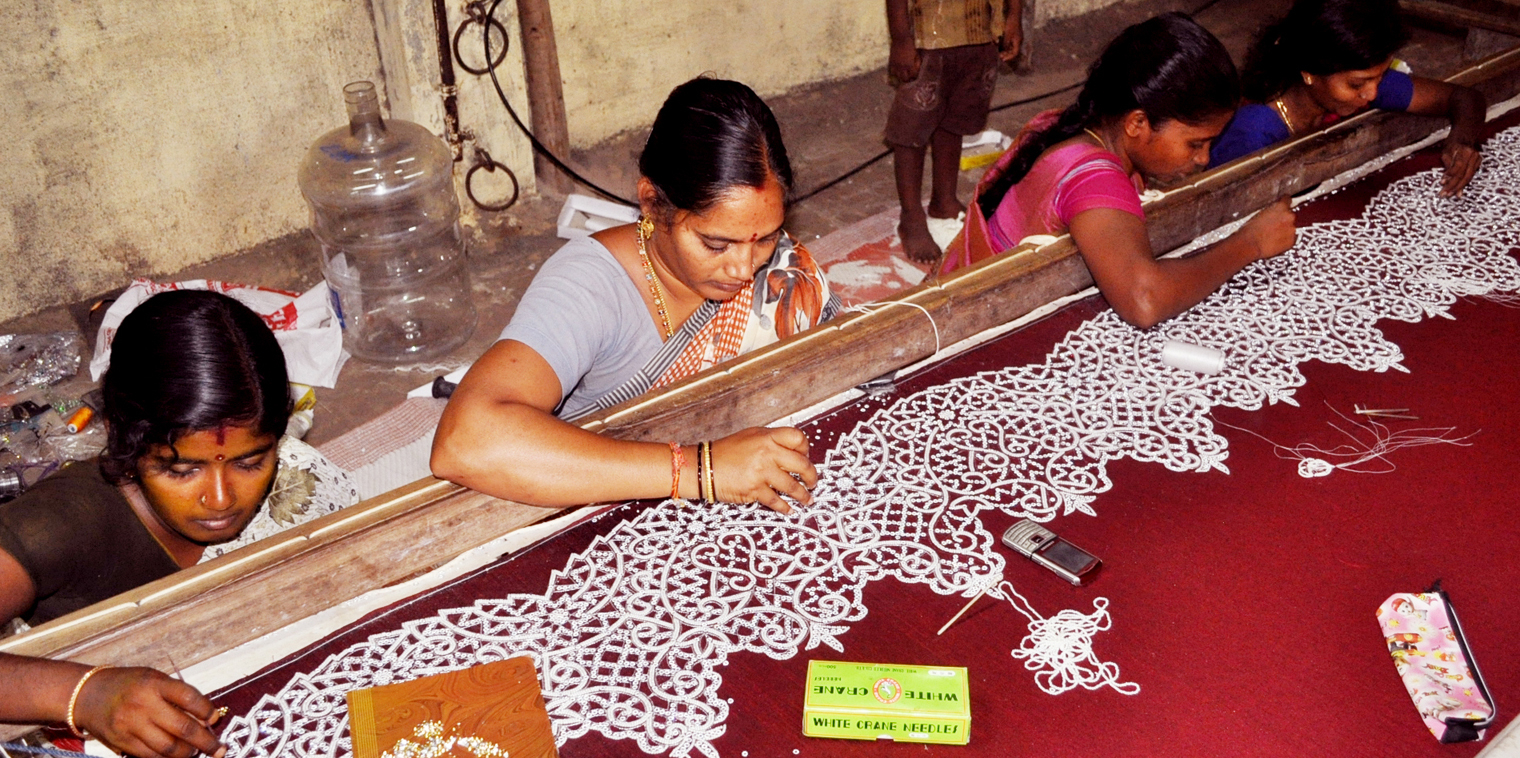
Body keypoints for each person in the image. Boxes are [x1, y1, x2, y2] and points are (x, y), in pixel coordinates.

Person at [433, 78, 841, 513]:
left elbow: (843, 355)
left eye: (766, 239)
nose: (744, 269)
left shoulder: (780, 269)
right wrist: (703, 470)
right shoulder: (589, 286)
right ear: (651, 202)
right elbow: (465, 442)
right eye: (715, 244)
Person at [0, 288, 356, 758]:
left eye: (250, 463)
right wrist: (83, 693)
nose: (221, 499)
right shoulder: (60, 525)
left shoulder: (301, 483)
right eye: (181, 470)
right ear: (123, 439)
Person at [939, 13, 1298, 329]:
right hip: (968, 320)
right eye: (1195, 144)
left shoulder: (1083, 128)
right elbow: (1145, 300)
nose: (1204, 159)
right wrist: (1250, 243)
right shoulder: (1095, 176)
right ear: (1137, 123)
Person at [1208, 0, 1485, 196]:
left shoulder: (1357, 86)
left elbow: (1463, 97)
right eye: (1357, 84)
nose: (1372, 93)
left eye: (1380, 76)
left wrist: (1461, 141)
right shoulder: (1253, 133)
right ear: (1309, 72)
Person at [885, 0, 1023, 263]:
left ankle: (944, 199)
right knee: (912, 125)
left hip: (980, 30)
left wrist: (1013, 16)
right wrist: (901, 39)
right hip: (929, 35)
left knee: (956, 116)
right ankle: (911, 215)